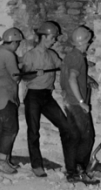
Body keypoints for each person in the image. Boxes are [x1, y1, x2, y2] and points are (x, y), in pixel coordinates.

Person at [21, 21, 69, 177]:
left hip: (46, 96)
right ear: (44, 36)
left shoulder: (52, 55)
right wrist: (35, 73)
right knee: (33, 131)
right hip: (33, 95)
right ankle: (36, 165)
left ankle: (71, 164)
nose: (54, 40)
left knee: (65, 126)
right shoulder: (30, 55)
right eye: (52, 37)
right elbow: (24, 77)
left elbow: (64, 68)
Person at [60, 25, 99, 184]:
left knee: (74, 137)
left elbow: (72, 75)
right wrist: (82, 102)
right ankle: (80, 169)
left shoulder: (71, 55)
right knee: (87, 137)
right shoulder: (77, 57)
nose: (89, 44)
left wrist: (87, 79)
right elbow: (71, 78)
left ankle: (72, 172)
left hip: (69, 101)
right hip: (76, 103)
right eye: (88, 41)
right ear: (85, 42)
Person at [0, 27, 23, 175]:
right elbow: (15, 76)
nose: (18, 45)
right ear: (13, 42)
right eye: (17, 43)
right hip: (4, 97)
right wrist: (24, 70)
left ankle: (0, 160)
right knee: (10, 129)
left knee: (0, 129)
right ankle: (2, 162)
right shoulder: (8, 54)